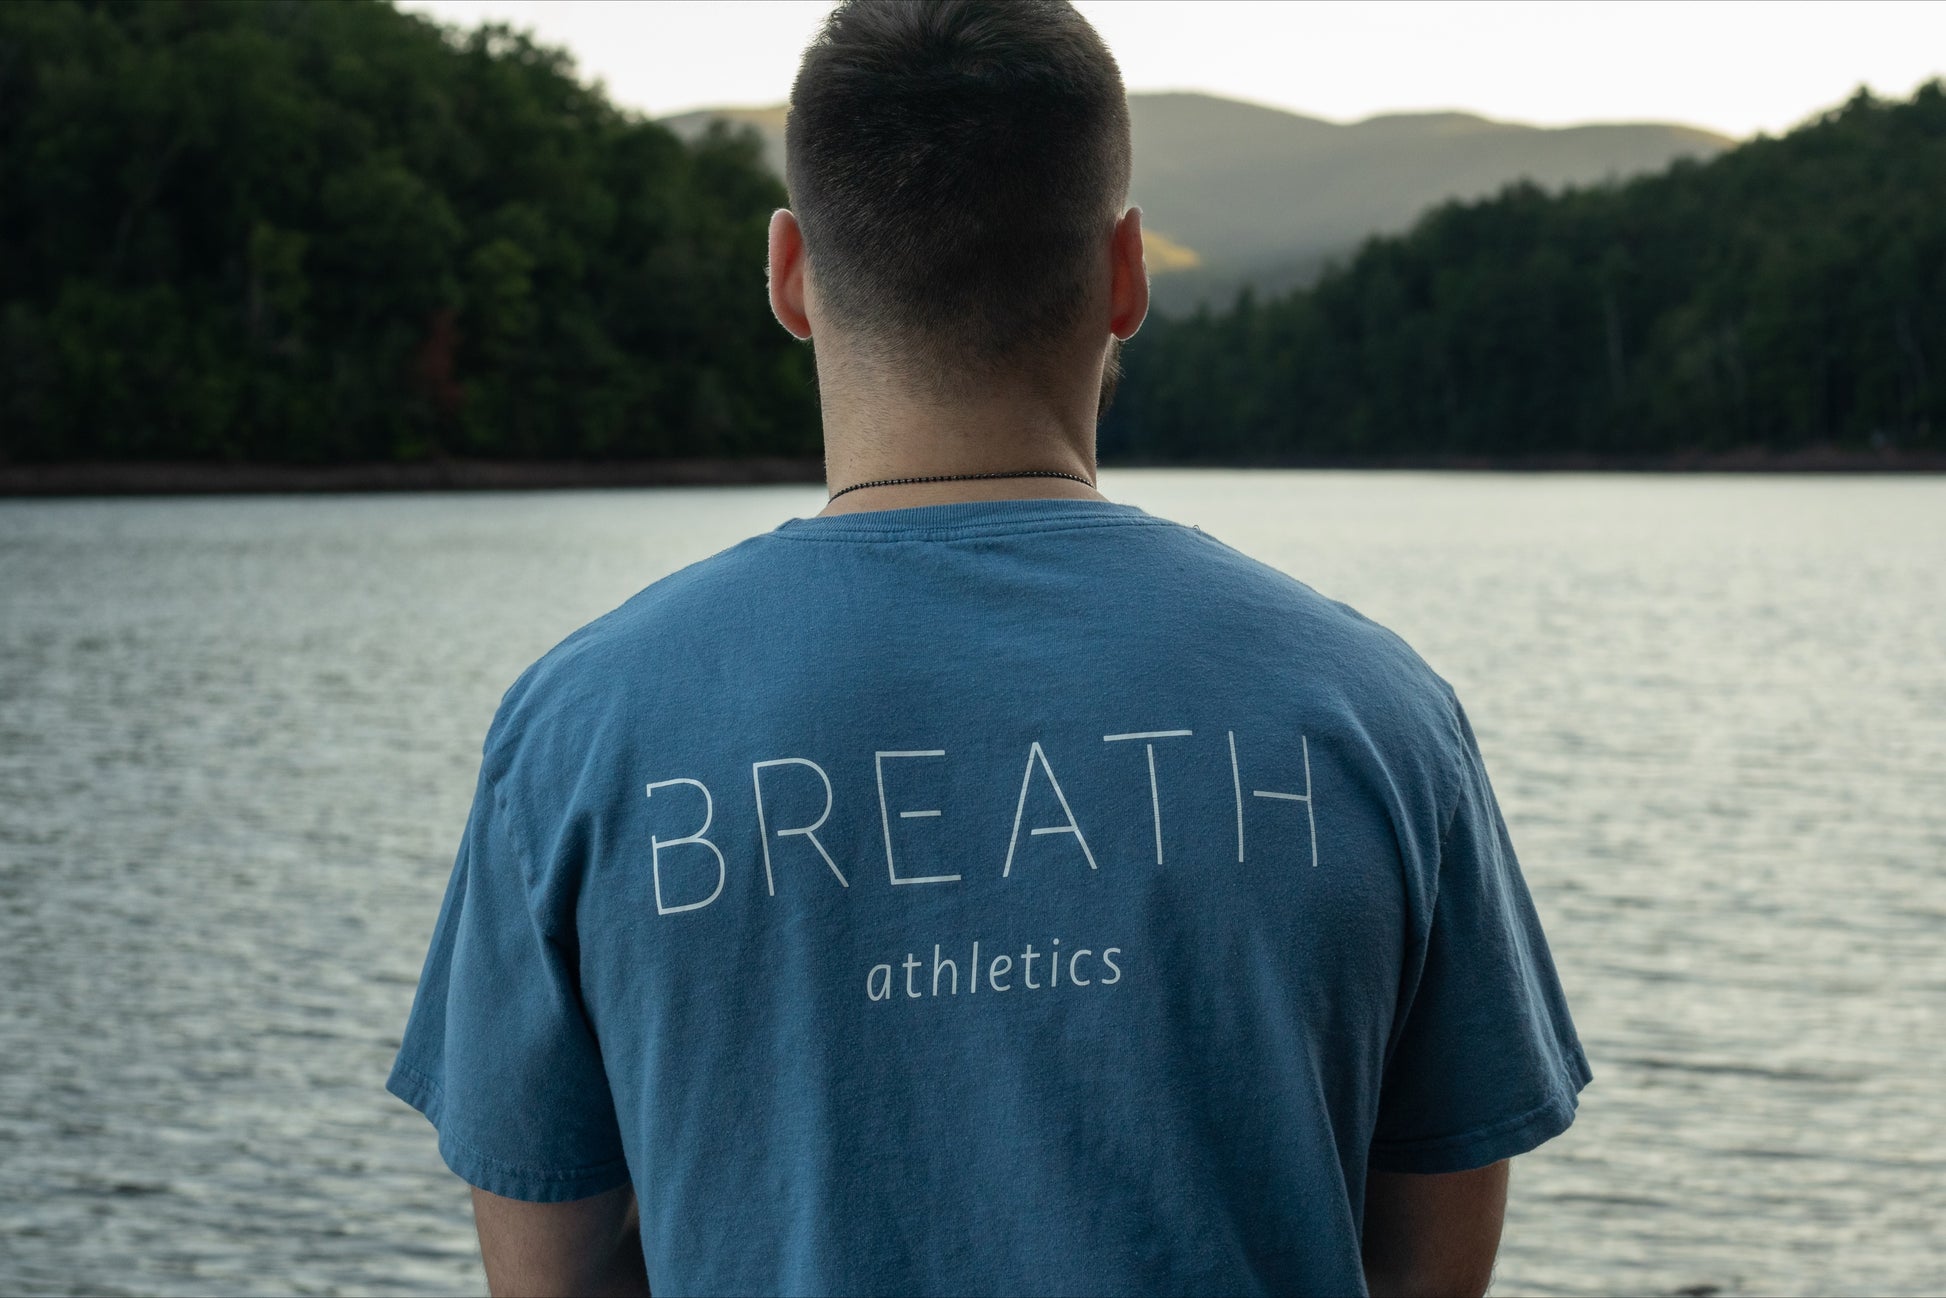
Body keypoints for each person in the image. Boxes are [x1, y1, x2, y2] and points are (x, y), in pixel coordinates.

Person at [385, 2, 1592, 1294]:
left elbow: (547, 1276)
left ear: (790, 275)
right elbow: (1431, 1265)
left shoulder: (580, 732)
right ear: (1124, 272)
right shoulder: (1374, 714)